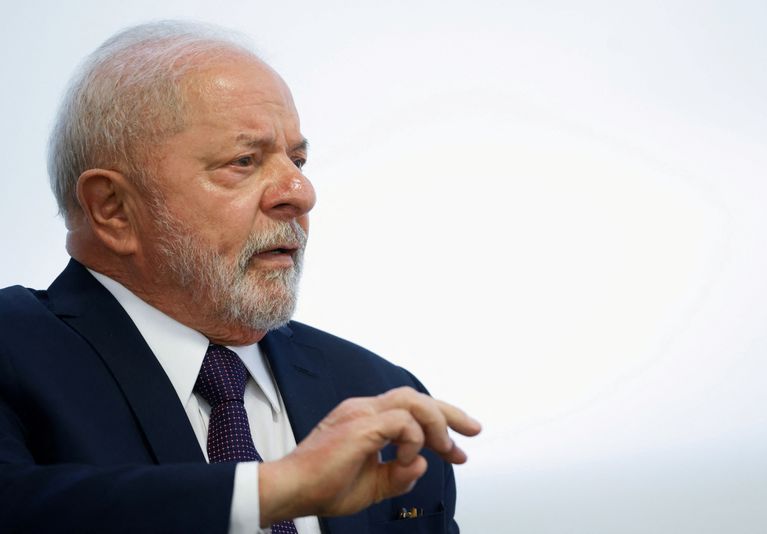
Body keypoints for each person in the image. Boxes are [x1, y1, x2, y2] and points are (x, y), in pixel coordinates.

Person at [0, 21, 480, 534]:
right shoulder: (13, 350)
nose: (300, 191)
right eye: (244, 161)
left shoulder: (377, 392)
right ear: (113, 208)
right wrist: (273, 490)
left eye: (297, 159)